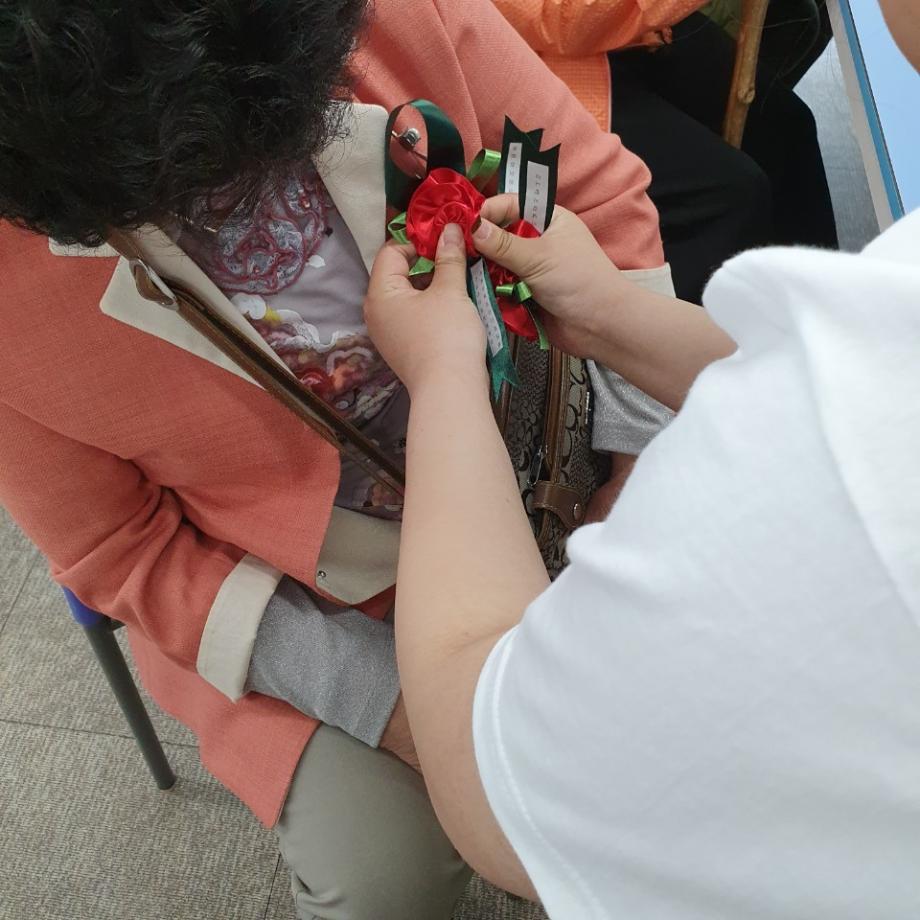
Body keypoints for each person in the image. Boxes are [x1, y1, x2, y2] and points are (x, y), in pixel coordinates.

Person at [0, 1, 677, 917]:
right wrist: (397, 710)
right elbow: (122, 552)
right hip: (312, 593)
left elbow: (592, 190)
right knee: (384, 880)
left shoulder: (382, 18)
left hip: (559, 436)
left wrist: (638, 470)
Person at [362, 0, 920, 912]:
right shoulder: (862, 371)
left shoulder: (829, 472)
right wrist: (615, 316)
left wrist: (443, 374)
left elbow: (495, 776)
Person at [493, 0, 839, 302]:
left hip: (637, 33)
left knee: (786, 125)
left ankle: (824, 311)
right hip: (548, 66)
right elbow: (563, 21)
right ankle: (671, 338)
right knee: (733, 194)